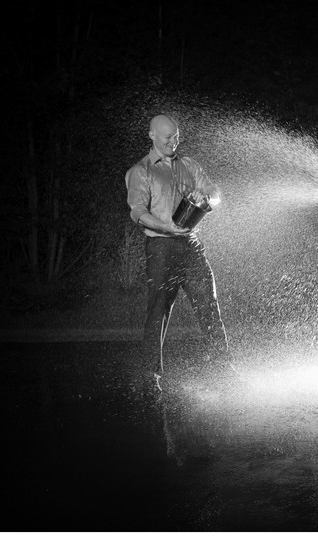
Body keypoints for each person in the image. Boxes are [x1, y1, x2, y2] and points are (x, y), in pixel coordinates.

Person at [126, 114, 229, 393]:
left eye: (177, 136)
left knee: (209, 306)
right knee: (158, 311)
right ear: (152, 136)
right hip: (161, 247)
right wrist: (167, 226)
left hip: (191, 246)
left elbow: (215, 193)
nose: (174, 141)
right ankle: (151, 377)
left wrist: (207, 200)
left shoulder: (188, 165)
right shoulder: (141, 171)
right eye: (168, 137)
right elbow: (137, 211)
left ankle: (224, 370)